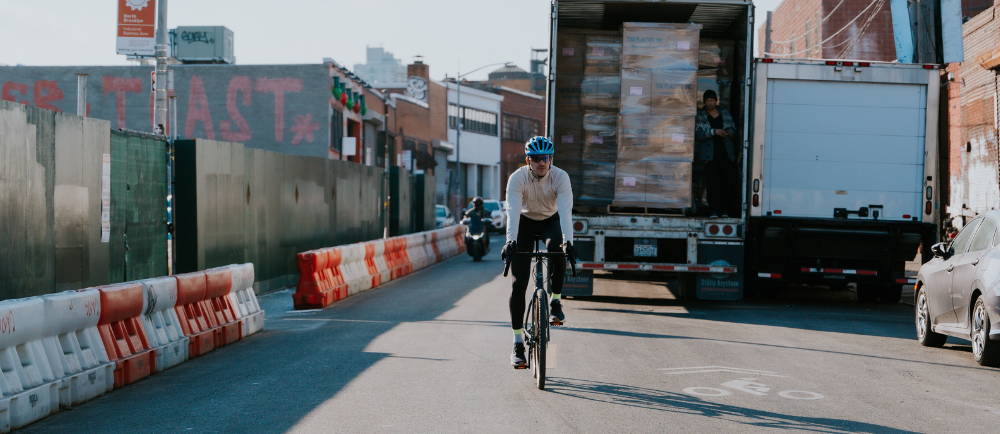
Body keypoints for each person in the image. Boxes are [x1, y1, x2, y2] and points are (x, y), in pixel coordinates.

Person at [500, 136, 577, 368]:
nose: (542, 163)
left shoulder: (561, 177)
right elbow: (512, 210)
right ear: (528, 160)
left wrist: (568, 241)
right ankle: (517, 343)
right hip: (524, 222)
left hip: (549, 221)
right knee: (518, 283)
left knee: (557, 249)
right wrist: (510, 241)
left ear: (551, 159)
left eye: (546, 158)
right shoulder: (517, 178)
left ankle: (555, 302)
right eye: (536, 159)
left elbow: (565, 211)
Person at [695, 89, 739, 217]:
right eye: (708, 101)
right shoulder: (701, 114)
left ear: (716, 101)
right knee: (712, 184)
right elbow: (699, 134)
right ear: (704, 102)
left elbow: (733, 129)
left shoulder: (724, 112)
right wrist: (714, 132)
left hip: (725, 153)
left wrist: (729, 132)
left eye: (712, 100)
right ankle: (714, 210)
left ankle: (724, 210)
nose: (710, 103)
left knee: (726, 183)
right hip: (710, 156)